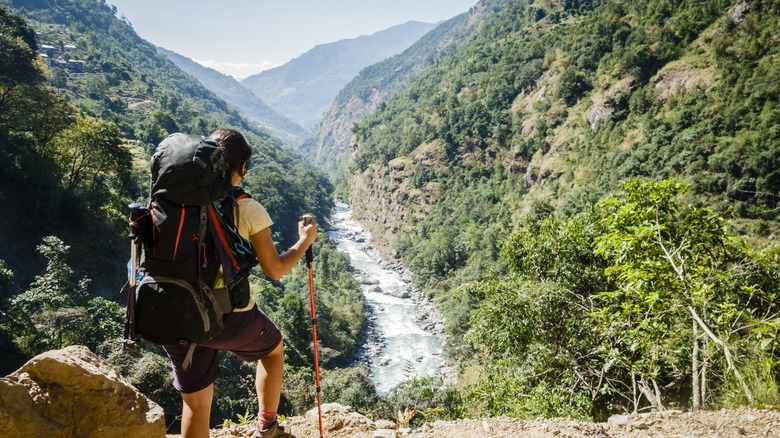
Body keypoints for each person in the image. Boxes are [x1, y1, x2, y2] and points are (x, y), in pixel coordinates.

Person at [162, 128, 317, 438]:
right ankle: (267, 424)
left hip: (171, 310)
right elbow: (274, 269)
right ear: (243, 167)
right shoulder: (246, 207)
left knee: (195, 406)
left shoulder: (175, 198)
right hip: (225, 317)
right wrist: (304, 241)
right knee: (272, 350)